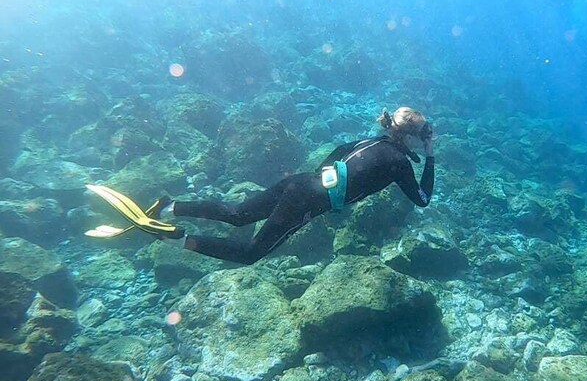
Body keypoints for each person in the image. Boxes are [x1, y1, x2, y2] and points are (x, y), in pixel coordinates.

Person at [86, 106, 434, 265]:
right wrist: (430, 158)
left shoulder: (368, 141)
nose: (426, 140)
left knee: (238, 214)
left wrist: (326, 189)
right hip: (308, 203)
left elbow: (330, 160)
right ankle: (178, 239)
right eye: (425, 135)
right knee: (251, 255)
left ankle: (168, 206)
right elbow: (421, 199)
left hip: (300, 183)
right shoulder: (400, 163)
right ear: (414, 137)